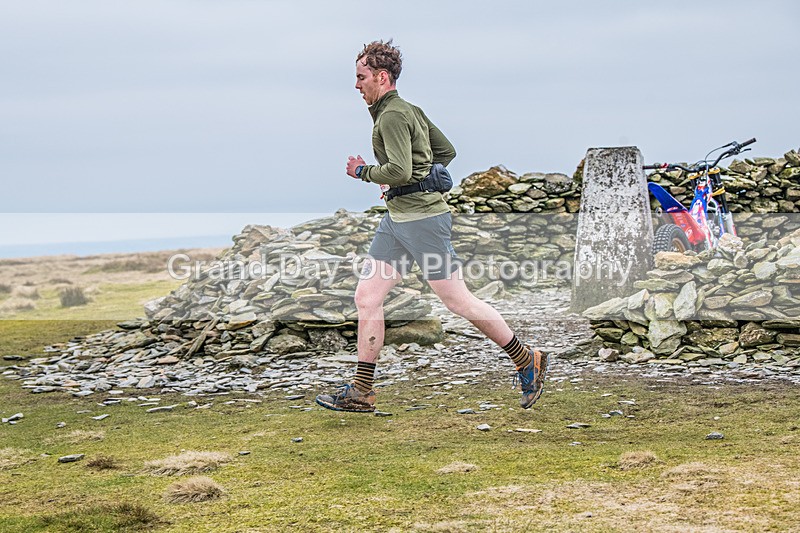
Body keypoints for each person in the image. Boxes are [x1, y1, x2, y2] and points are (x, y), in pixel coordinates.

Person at [315, 40, 548, 413]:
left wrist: (363, 172)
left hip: (423, 221)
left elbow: (400, 170)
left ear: (382, 77)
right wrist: (411, 182)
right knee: (367, 297)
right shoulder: (408, 111)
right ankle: (362, 391)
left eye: (361, 77)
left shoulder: (393, 115)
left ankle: (526, 359)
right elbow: (446, 152)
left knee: (457, 300)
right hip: (397, 220)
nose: (356, 85)